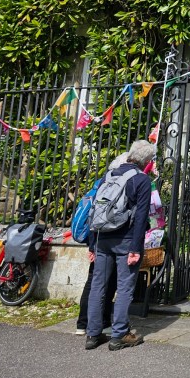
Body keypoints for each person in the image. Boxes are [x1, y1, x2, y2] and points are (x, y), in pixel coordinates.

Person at [85, 140, 154, 351]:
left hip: (102, 238)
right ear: (147, 161)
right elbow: (141, 216)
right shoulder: (142, 180)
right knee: (125, 287)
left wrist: (91, 244)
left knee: (98, 286)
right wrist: (135, 248)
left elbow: (94, 209)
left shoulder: (108, 176)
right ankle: (119, 335)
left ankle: (93, 334)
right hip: (126, 240)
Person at [75, 152, 128, 335]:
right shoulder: (112, 184)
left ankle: (89, 322)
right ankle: (89, 322)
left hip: (98, 236)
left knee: (98, 281)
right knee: (99, 281)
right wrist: (92, 245)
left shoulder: (104, 182)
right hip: (103, 238)